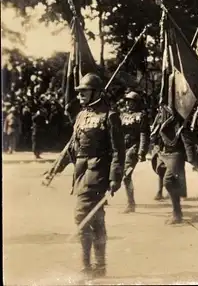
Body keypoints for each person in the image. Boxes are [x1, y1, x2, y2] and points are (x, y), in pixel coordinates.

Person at [42, 73, 125, 278]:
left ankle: (86, 266)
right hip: (81, 171)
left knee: (82, 214)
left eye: (84, 92)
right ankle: (100, 266)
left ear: (96, 92)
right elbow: (72, 147)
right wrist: (55, 169)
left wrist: (115, 177)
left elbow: (117, 150)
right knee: (95, 218)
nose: (79, 95)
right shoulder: (81, 116)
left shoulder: (109, 115)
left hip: (98, 171)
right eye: (78, 92)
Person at [120, 91, 149, 214]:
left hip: (133, 147)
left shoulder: (141, 116)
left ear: (136, 103)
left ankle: (131, 203)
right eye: (126, 100)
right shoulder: (122, 114)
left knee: (126, 176)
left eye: (130, 101)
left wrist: (141, 151)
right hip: (122, 147)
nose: (127, 103)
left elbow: (143, 134)